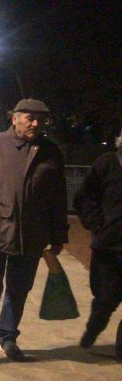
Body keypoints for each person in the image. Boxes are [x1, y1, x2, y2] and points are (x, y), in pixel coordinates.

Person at [0, 98, 68, 367]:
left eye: (40, 118)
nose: (35, 123)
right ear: (15, 118)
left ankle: (8, 338)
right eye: (29, 117)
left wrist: (58, 234)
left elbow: (57, 198)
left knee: (19, 289)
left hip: (32, 235)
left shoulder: (51, 152)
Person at [73, 127, 122, 360]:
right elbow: (84, 198)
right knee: (106, 299)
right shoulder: (107, 164)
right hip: (109, 247)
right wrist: (97, 226)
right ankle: (93, 330)